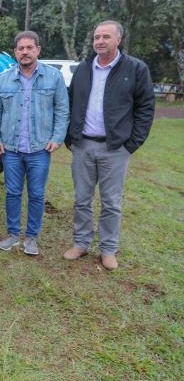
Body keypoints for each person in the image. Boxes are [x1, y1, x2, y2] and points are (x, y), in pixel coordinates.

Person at [63, 21, 155, 271]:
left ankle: (108, 249)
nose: (100, 41)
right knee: (82, 199)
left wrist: (131, 144)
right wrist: (70, 138)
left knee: (111, 203)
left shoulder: (135, 69)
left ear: (118, 40)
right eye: (96, 37)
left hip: (115, 149)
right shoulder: (84, 68)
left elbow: (146, 108)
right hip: (83, 146)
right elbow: (71, 103)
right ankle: (81, 243)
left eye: (105, 37)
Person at [0, 31, 69, 256]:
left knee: (36, 194)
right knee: (12, 193)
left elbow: (62, 109)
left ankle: (32, 237)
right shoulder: (3, 79)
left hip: (40, 149)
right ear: (15, 52)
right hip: (11, 150)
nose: (25, 52)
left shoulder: (53, 77)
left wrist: (57, 137)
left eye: (29, 48)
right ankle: (13, 234)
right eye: (20, 49)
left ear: (38, 50)